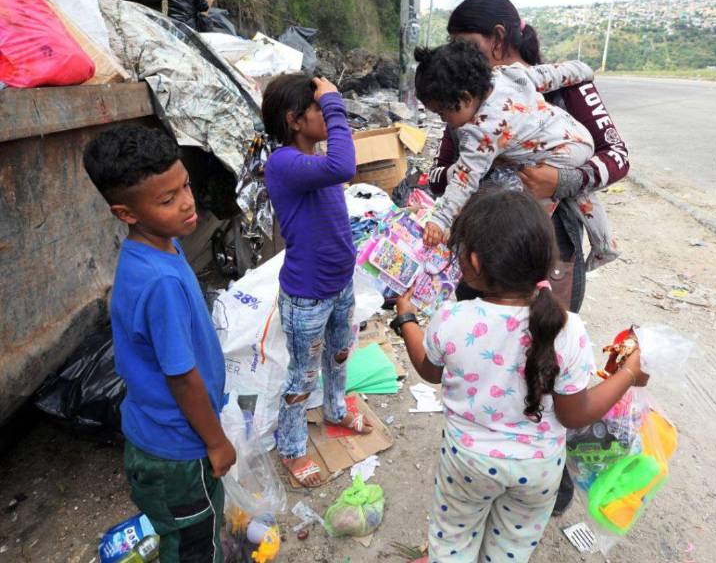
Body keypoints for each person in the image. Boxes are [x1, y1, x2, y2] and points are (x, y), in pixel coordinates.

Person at [429, 0, 631, 514]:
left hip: (545, 249)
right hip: (485, 253)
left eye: (467, 45)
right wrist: (452, 188)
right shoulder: (466, 96)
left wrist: (557, 181)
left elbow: (617, 158)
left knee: (544, 359)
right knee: (492, 354)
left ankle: (544, 477)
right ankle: (490, 454)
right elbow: (441, 172)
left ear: (498, 40)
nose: (463, 57)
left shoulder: (532, 88)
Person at [392, 189, 648, 563]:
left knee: (453, 539)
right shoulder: (568, 328)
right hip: (539, 468)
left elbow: (429, 370)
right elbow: (574, 415)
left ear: (474, 262)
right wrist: (628, 372)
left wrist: (407, 318)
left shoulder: (451, 318)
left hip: (468, 462)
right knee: (511, 548)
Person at [82, 127, 235, 562]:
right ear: (125, 213)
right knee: (195, 546)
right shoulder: (161, 281)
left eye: (184, 185)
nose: (187, 202)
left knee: (184, 536)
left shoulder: (156, 249)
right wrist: (217, 442)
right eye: (167, 200)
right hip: (181, 452)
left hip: (155, 438)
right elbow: (182, 377)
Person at [414, 40, 617, 270]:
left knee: (533, 203)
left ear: (466, 98)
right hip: (576, 136)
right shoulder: (506, 74)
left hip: (558, 154)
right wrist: (583, 70)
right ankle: (605, 245)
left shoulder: (481, 132)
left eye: (442, 112)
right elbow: (553, 74)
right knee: (580, 191)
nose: (443, 120)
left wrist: (440, 219)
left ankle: (535, 257)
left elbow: (464, 180)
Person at [261, 74, 372, 487]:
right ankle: (291, 447)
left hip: (339, 284)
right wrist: (336, 102)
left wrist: (329, 108)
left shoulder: (311, 159)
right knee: (303, 374)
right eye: (318, 109)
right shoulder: (284, 162)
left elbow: (336, 165)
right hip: (307, 295)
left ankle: (336, 408)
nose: (326, 115)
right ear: (294, 120)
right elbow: (345, 165)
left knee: (340, 353)